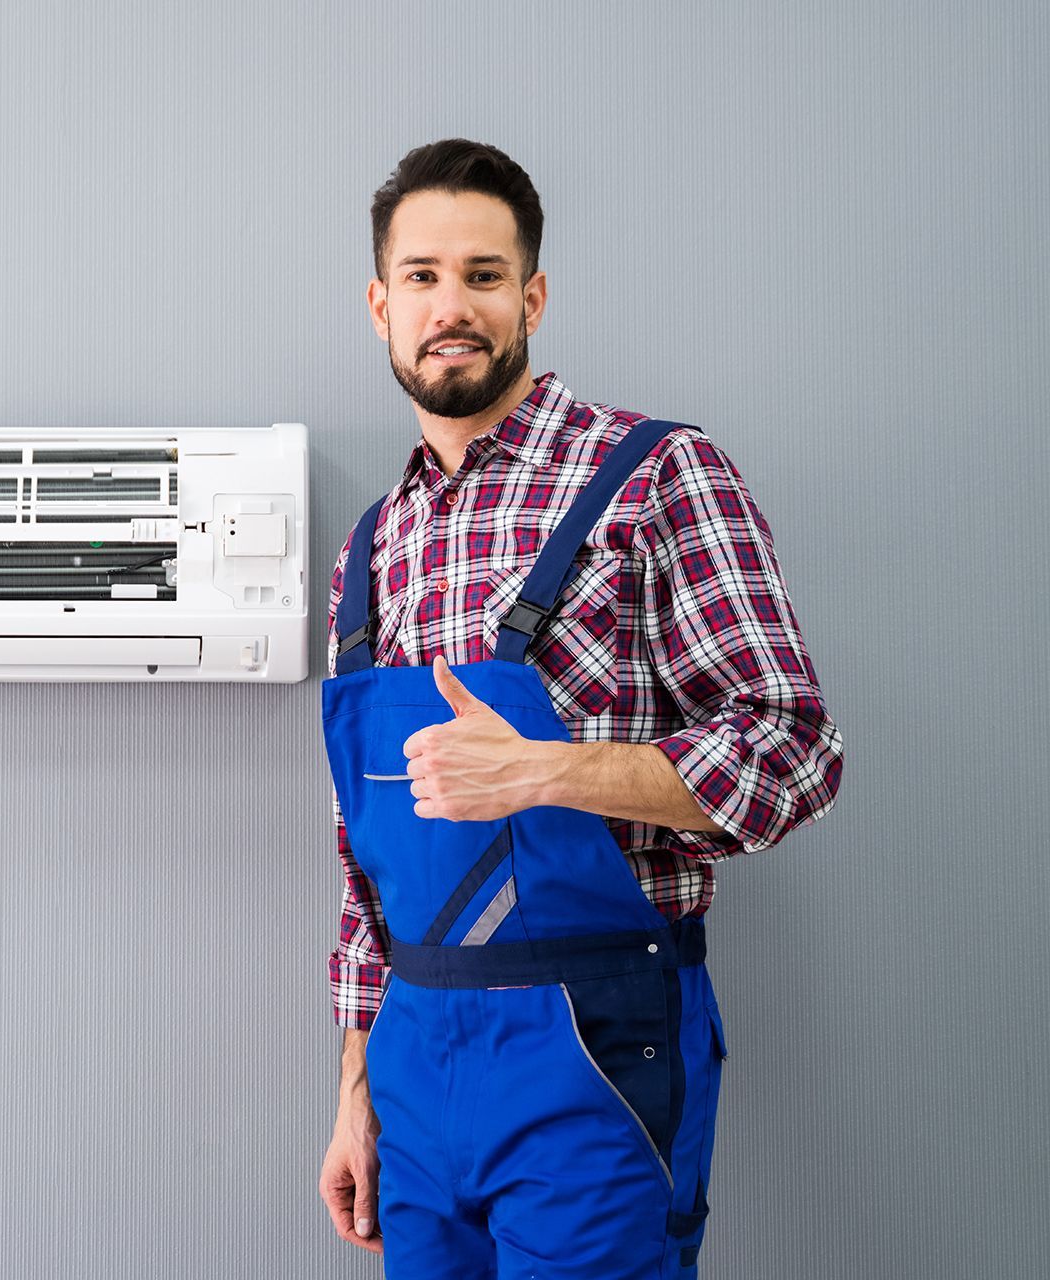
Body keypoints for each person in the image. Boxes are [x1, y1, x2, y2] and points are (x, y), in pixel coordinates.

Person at [314, 138, 845, 1279]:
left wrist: (548, 769)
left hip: (593, 1045)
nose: (450, 305)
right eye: (421, 276)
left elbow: (792, 750)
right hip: (412, 1060)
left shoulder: (655, 476)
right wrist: (355, 1091)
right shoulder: (372, 544)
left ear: (532, 296)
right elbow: (364, 863)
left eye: (483, 274)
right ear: (379, 303)